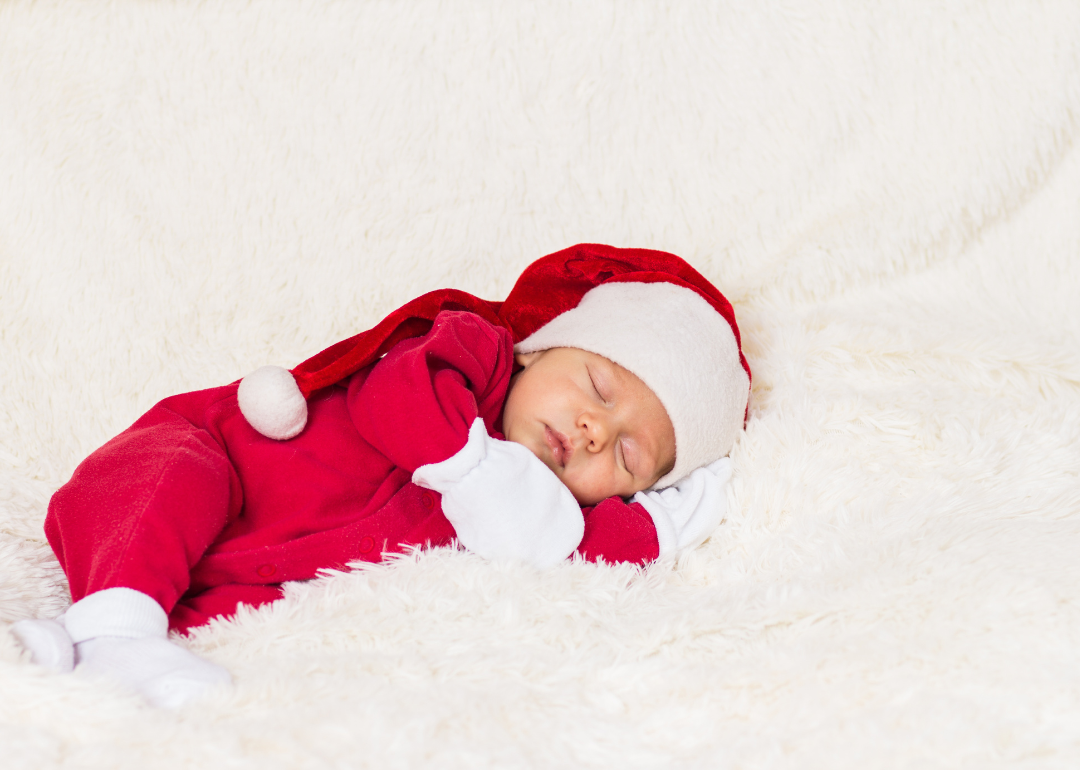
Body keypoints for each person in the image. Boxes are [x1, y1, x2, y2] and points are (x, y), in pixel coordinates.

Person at [12, 243, 751, 708]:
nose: (595, 430)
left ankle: (84, 651)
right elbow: (391, 395)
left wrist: (672, 519)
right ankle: (114, 625)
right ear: (539, 351)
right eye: (596, 385)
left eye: (627, 455)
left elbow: (595, 549)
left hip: (247, 564)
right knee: (173, 482)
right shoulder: (473, 356)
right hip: (201, 461)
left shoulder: (543, 507)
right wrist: (470, 465)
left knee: (238, 615)